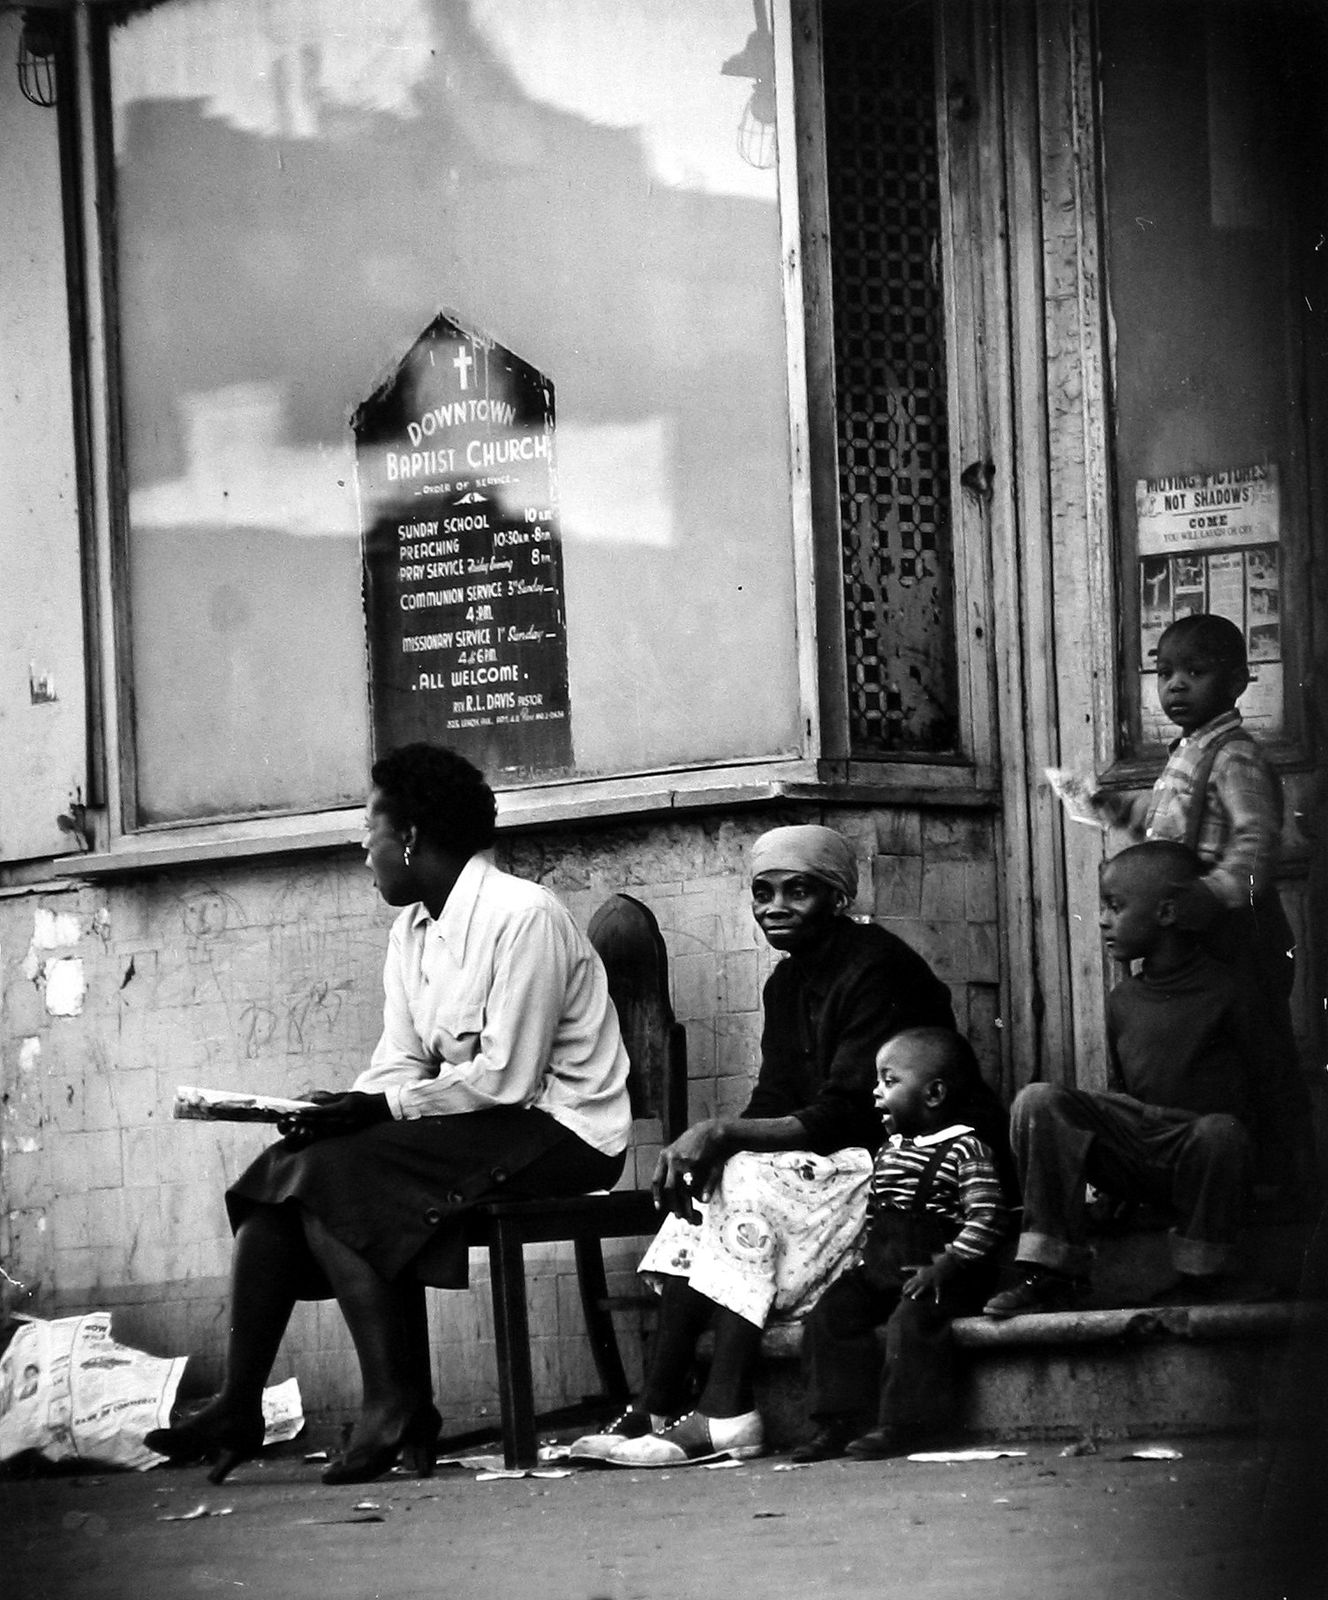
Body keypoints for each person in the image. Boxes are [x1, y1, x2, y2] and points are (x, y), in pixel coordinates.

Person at [145, 744, 631, 1485]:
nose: (362, 849)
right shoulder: (411, 935)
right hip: (485, 1124)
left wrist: (375, 1111)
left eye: (367, 829)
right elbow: (400, 1063)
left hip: (563, 1131)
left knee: (334, 1177)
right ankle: (240, 1403)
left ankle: (393, 1404)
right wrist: (341, 1109)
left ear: (408, 836)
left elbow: (507, 1076)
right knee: (288, 1168)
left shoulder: (522, 917)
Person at [569, 822, 967, 1468]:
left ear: (836, 897)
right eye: (763, 893)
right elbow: (775, 1099)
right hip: (828, 1163)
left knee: (746, 1176)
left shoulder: (877, 967)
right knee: (717, 1182)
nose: (775, 908)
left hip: (903, 1163)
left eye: (798, 891)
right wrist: (716, 1152)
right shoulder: (784, 985)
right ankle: (658, 1403)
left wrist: (722, 1135)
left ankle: (726, 1408)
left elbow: (846, 1115)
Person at [984, 840, 1267, 1318]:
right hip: (1141, 1148)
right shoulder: (1123, 1000)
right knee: (1038, 1100)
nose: (1101, 920)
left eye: (1115, 907)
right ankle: (1052, 1271)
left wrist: (1290, 1172)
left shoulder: (1229, 989)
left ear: (1167, 913)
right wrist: (1112, 1187)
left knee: (1220, 1133)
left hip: (1201, 1155)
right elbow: (1123, 1095)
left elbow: (1274, 1084)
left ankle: (1202, 1277)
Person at [1092, 612, 1309, 1184]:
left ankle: (1283, 1176)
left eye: (1196, 671)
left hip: (1234, 929)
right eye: (1164, 673)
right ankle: (1198, 1165)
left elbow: (1257, 839)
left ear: (1237, 681)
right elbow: (1178, 823)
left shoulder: (1235, 754)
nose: (1176, 685)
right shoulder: (1187, 750)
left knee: (1258, 1047)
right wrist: (1128, 811)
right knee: (1198, 1051)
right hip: (1191, 929)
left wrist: (1215, 893)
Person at [792, 1027, 1010, 1462]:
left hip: (943, 1275)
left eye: (889, 1082)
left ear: (933, 1094)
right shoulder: (890, 1151)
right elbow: (877, 1216)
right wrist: (863, 1263)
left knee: (911, 1325)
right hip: (884, 1271)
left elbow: (988, 1218)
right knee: (830, 1315)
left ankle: (906, 1424)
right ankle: (838, 1421)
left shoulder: (967, 1150)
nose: (876, 1093)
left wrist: (948, 1263)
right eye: (877, 1081)